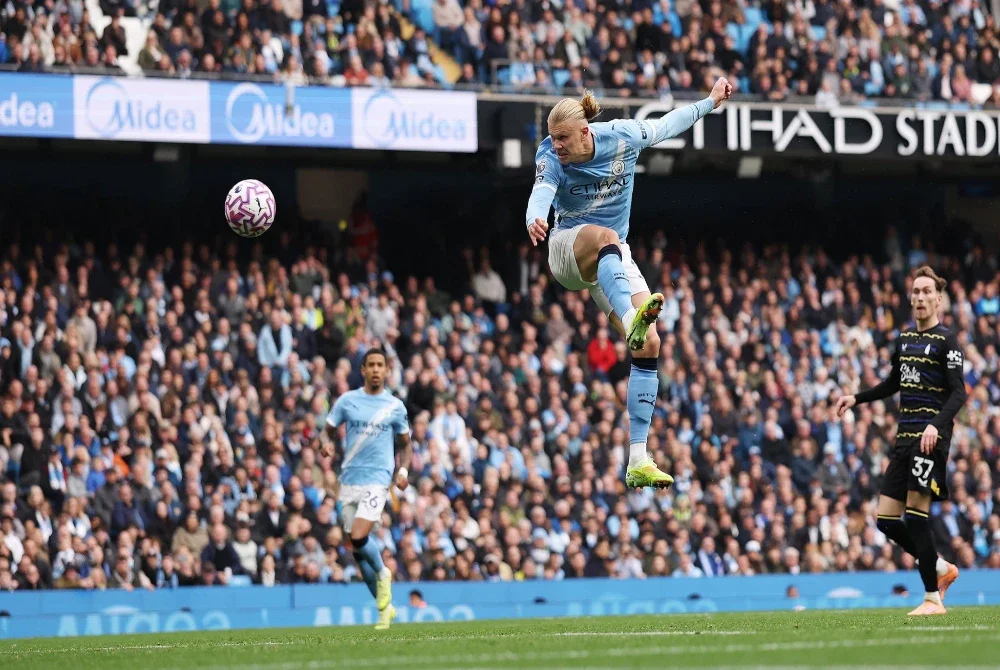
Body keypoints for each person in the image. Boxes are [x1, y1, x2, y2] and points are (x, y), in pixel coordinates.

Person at [523, 78, 733, 489]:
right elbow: (542, 189)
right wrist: (535, 216)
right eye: (553, 139)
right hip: (569, 248)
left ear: (585, 132)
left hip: (613, 259)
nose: (557, 146)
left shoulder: (621, 136)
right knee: (607, 240)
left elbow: (666, 126)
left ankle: (638, 458)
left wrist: (709, 101)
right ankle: (631, 314)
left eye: (563, 138)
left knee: (650, 343)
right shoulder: (550, 155)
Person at [835, 266, 965, 616]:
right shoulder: (905, 340)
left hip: (928, 440)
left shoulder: (947, 342)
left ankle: (932, 599)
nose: (920, 297)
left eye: (926, 292)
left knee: (917, 517)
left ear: (938, 298)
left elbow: (959, 393)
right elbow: (894, 383)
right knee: (886, 520)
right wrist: (857, 398)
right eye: (915, 292)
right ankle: (939, 567)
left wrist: (936, 425)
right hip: (904, 439)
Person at [323, 348, 412, 630]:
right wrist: (325, 443)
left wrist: (403, 470)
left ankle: (384, 573)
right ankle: (385, 610)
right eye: (370, 365)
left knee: (360, 536)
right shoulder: (347, 401)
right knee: (357, 551)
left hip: (378, 479)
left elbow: (406, 443)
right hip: (349, 479)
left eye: (380, 365)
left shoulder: (395, 406)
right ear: (362, 370)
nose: (375, 369)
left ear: (387, 370)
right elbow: (327, 427)